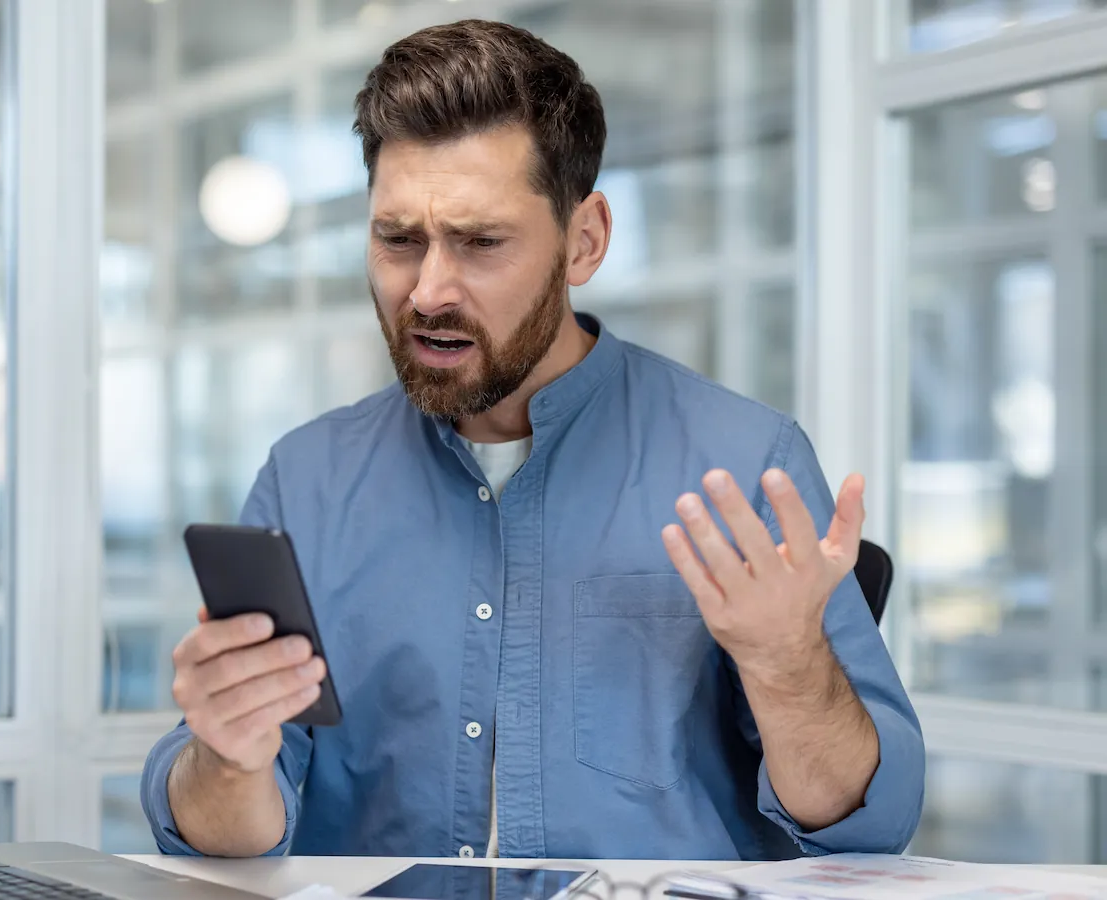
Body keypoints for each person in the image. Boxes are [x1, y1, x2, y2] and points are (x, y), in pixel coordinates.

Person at [140, 18, 924, 860]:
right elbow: (226, 842)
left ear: (584, 240)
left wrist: (787, 666)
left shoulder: (745, 463)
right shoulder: (307, 479)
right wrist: (226, 759)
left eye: (481, 243)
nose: (429, 290)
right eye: (398, 239)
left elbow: (870, 828)